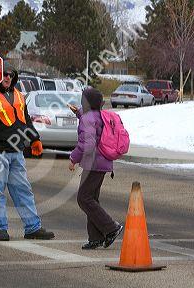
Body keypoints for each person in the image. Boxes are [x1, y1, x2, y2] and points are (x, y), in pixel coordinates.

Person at [0, 63, 55, 241]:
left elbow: (25, 120)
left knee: (23, 190)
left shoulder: (19, 96)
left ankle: (32, 227)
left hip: (16, 151)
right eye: (3, 74)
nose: (7, 77)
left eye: (10, 74)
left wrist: (35, 138)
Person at [68, 88, 123, 250]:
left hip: (94, 163)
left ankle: (111, 227)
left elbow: (88, 144)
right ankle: (96, 237)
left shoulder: (88, 118)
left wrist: (73, 158)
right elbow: (91, 123)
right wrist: (78, 113)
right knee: (92, 198)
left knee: (83, 198)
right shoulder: (98, 115)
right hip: (102, 162)